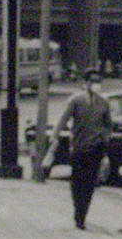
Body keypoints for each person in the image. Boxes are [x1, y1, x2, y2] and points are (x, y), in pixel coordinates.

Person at [44, 68, 112, 230]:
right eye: (93, 81)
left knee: (89, 183)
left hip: (96, 147)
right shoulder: (75, 100)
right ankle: (78, 209)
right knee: (77, 181)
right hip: (79, 148)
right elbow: (63, 119)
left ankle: (82, 215)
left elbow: (109, 124)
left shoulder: (104, 102)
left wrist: (105, 138)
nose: (96, 84)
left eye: (98, 81)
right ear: (86, 82)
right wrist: (55, 135)